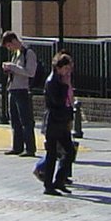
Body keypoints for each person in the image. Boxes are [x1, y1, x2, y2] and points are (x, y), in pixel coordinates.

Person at [34, 52, 75, 195]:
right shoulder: (52, 82)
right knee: (51, 154)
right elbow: (57, 101)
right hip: (53, 121)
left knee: (69, 151)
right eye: (66, 68)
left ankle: (59, 180)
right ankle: (48, 185)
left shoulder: (60, 80)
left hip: (61, 121)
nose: (67, 72)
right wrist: (65, 86)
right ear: (59, 67)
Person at [0, 31, 37, 157]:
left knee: (25, 120)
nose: (9, 49)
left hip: (23, 89)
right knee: (14, 120)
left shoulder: (28, 53)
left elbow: (30, 72)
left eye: (9, 46)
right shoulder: (16, 54)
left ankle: (30, 148)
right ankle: (17, 146)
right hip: (13, 88)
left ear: (14, 41)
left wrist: (13, 67)